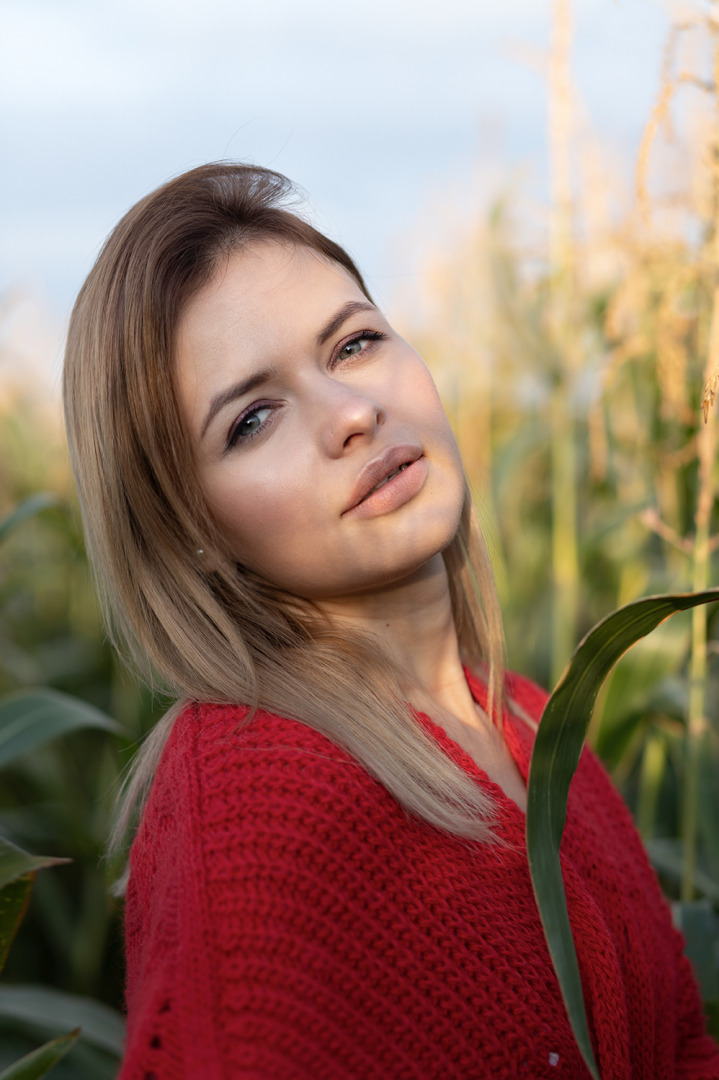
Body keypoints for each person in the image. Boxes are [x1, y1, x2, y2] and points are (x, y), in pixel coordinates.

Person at [63, 162, 719, 1079]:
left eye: (353, 345)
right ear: (191, 531)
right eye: (252, 419)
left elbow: (682, 1048)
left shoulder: (532, 722)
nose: (353, 414)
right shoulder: (256, 804)